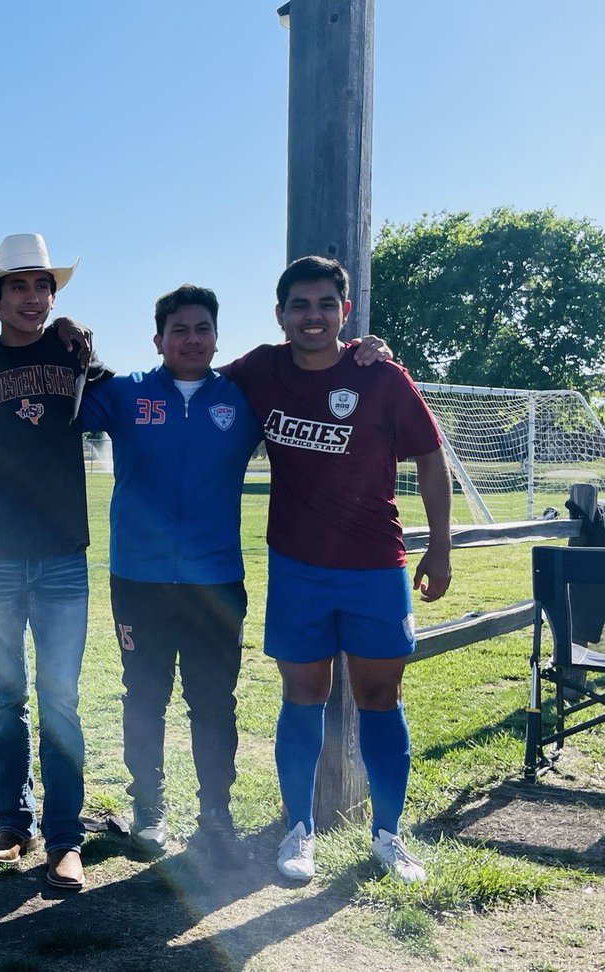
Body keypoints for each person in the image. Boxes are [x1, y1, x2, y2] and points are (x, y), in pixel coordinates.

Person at [223, 255, 452, 885]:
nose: (313, 316)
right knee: (304, 695)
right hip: (297, 567)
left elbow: (431, 460)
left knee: (380, 696)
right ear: (281, 315)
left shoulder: (380, 376)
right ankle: (298, 831)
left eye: (326, 304)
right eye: (300, 305)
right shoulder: (260, 370)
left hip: (375, 566)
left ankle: (387, 836)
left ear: (344, 312)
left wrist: (440, 546)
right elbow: (191, 380)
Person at [0, 233, 110, 892]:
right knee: (7, 698)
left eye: (44, 286)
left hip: (63, 553)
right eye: (20, 286)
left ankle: (65, 842)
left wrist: (85, 336)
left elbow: (125, 399)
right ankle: (13, 825)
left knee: (60, 701)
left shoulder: (74, 353)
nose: (34, 298)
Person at [79, 285, 261, 864]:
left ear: (216, 335)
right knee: (145, 696)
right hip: (140, 578)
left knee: (213, 702)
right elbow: (60, 395)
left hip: (216, 581)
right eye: (178, 329)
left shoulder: (243, 398)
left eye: (201, 327)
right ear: (158, 338)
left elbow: (311, 377)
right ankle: (149, 812)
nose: (191, 338)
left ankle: (215, 817)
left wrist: (367, 351)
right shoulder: (127, 394)